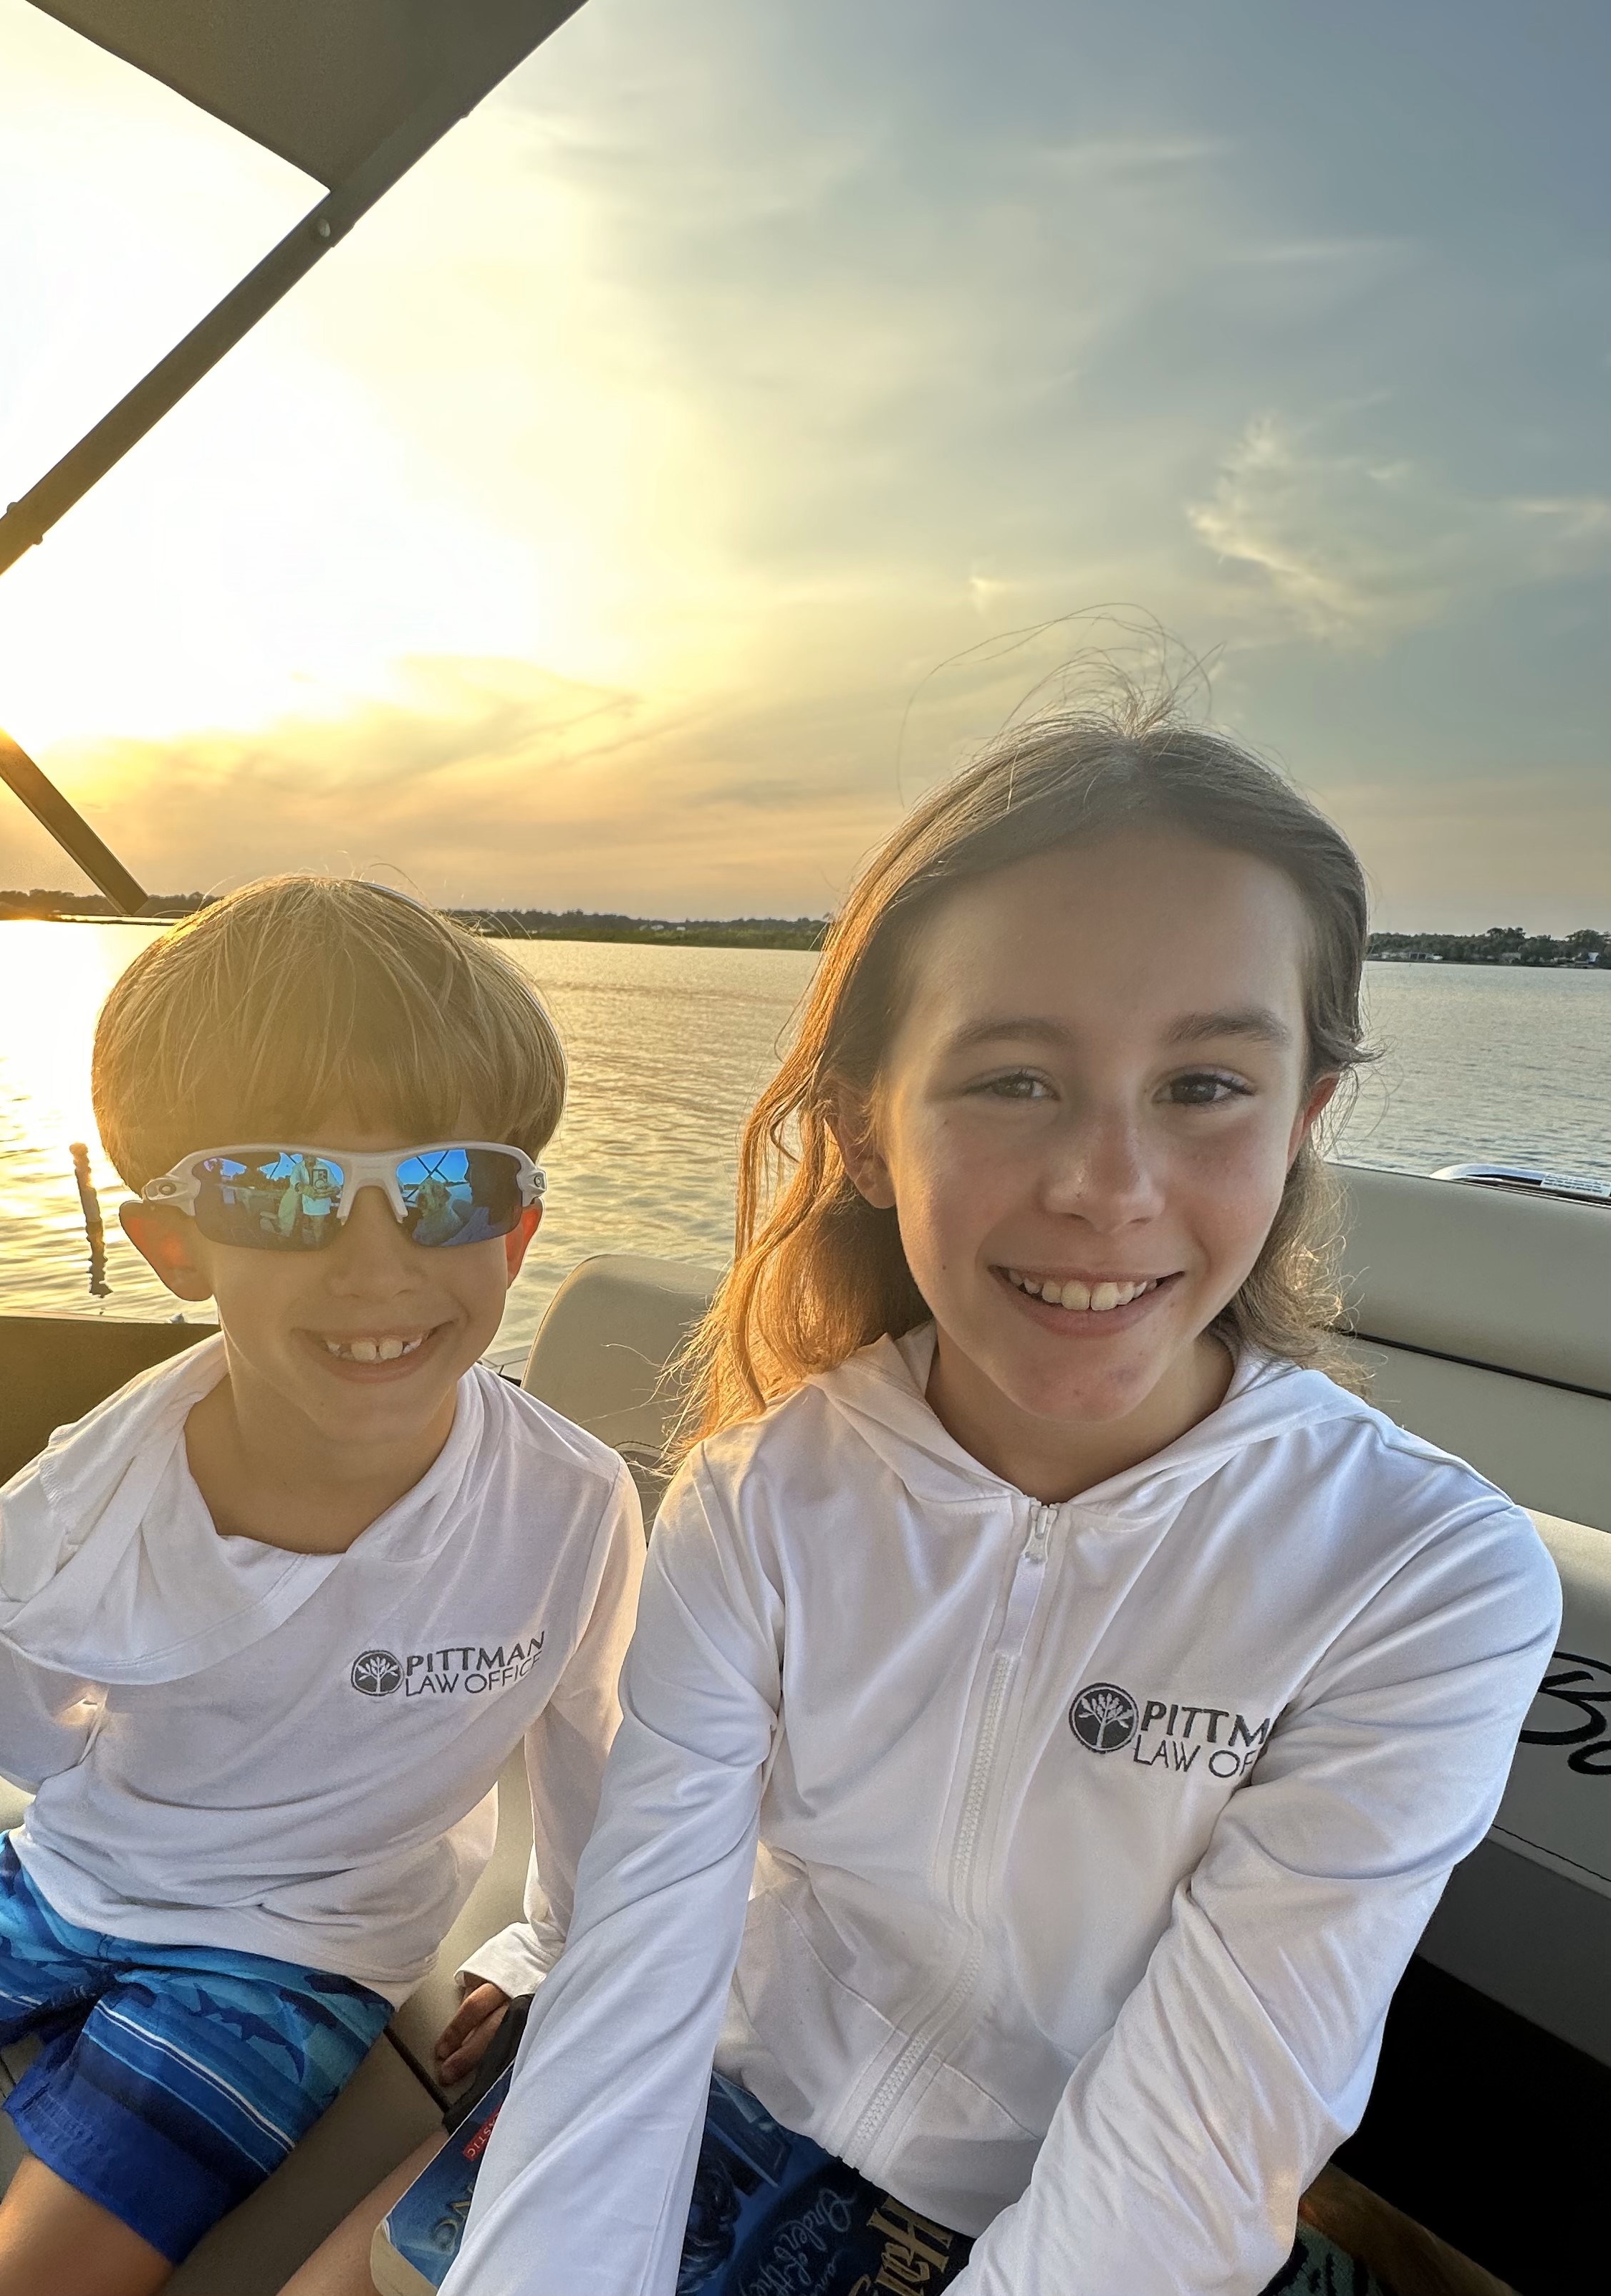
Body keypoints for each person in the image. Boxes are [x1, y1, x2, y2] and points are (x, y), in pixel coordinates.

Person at [288, 699, 1561, 2296]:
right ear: (864, 1132)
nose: (1105, 1186)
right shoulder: (757, 1501)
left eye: (1203, 1084)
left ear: (1303, 1117)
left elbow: (1189, 2150)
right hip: (739, 2104)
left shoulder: (1420, 1576)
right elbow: (638, 1981)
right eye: (1013, 1080)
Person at [0, 877, 644, 2296]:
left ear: (515, 1229)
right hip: (70, 1870)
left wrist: (551, 1941)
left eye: (449, 1188)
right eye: (283, 1192)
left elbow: (587, 1743)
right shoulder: (80, 1502)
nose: (376, 1263)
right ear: (173, 1244)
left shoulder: (564, 1500)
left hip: (292, 1950)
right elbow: (24, 1744)